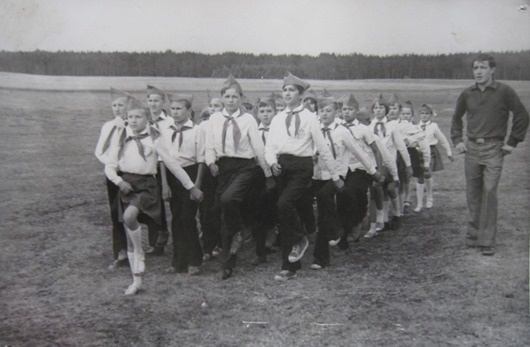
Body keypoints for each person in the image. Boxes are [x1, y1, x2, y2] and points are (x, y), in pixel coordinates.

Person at [105, 97, 203, 295]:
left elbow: (172, 164)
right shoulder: (122, 135)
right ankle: (136, 280)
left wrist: (192, 187)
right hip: (126, 184)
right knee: (128, 226)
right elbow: (109, 165)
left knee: (129, 218)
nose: (133, 120)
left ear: (148, 120)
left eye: (138, 117)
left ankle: (141, 254)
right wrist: (119, 181)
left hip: (147, 186)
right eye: (130, 116)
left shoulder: (156, 138)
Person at [265, 72, 343, 281]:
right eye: (284, 90)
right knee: (286, 214)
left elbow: (323, 148)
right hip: (282, 166)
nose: (287, 93)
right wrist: (272, 162)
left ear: (300, 94)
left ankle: (300, 239)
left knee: (284, 203)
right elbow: (269, 146)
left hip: (302, 167)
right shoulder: (278, 118)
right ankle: (290, 266)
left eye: (291, 90)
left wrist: (335, 175)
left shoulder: (310, 118)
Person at [450, 53, 529, 256]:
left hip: (494, 148)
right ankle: (474, 235)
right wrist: (458, 141)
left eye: (483, 68)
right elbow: (456, 118)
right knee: (473, 193)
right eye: (475, 68)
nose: (478, 72)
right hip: (472, 149)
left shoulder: (504, 91)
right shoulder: (467, 94)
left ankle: (486, 240)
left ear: (492, 70)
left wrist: (512, 143)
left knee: (489, 191)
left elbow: (522, 115)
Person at [205, 75, 275, 280]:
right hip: (223, 167)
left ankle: (244, 231)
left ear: (241, 97)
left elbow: (258, 149)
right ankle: (228, 264)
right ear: (222, 98)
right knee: (224, 212)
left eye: (235, 96)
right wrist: (211, 163)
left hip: (246, 168)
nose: (231, 100)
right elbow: (210, 146)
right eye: (227, 96)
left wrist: (268, 174)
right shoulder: (214, 119)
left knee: (231, 201)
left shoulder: (248, 120)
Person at [310, 97, 383, 269]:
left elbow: (359, 153)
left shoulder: (342, 132)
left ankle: (337, 229)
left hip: (338, 177)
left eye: (328, 110)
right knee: (322, 215)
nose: (325, 114)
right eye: (321, 111)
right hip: (318, 175)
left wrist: (374, 172)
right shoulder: (314, 130)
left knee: (324, 197)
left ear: (336, 112)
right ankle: (322, 257)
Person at [160, 93, 205, 275]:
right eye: (173, 109)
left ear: (189, 111)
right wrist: (165, 184)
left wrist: (197, 185)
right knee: (177, 219)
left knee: (188, 218)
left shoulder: (196, 130)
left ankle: (195, 259)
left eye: (179, 109)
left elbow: (201, 158)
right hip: (171, 177)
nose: (175, 112)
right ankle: (178, 261)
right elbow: (162, 159)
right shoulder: (165, 129)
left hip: (191, 173)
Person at [95, 87, 130, 270]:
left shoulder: (133, 125)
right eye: (114, 105)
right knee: (116, 212)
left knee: (133, 212)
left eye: (121, 105)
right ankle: (121, 251)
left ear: (128, 107)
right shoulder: (108, 127)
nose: (117, 108)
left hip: (132, 173)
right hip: (113, 173)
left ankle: (139, 249)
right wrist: (112, 164)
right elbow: (99, 151)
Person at [145, 85, 172, 255]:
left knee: (170, 199)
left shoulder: (169, 122)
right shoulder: (144, 120)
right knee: (152, 203)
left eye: (157, 101)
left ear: (163, 103)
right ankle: (156, 241)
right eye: (150, 101)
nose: (153, 104)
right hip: (148, 166)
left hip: (167, 165)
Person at [395, 101, 431, 214]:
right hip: (397, 155)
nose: (405, 116)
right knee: (400, 178)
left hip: (411, 154)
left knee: (411, 176)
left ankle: (410, 200)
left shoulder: (415, 128)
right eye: (403, 114)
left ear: (412, 115)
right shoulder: (395, 126)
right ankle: (401, 204)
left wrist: (426, 162)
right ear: (400, 115)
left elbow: (423, 144)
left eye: (408, 114)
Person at [417, 103, 453, 210]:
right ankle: (419, 203)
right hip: (418, 152)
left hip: (431, 151)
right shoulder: (415, 126)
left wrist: (449, 152)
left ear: (431, 115)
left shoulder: (433, 126)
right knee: (419, 176)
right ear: (419, 115)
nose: (424, 116)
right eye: (422, 113)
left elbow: (442, 139)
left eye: (427, 114)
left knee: (427, 173)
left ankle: (429, 197)